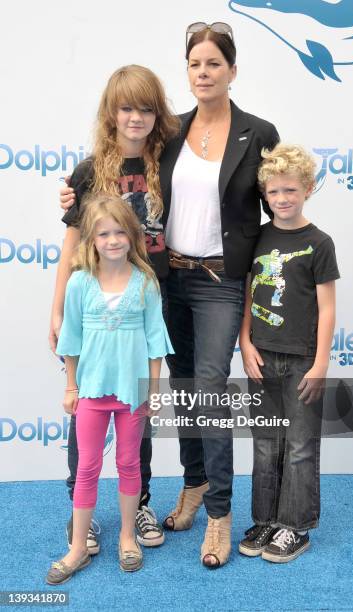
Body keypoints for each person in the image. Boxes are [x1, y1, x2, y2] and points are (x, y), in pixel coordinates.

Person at [60, 23, 279, 568]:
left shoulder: (258, 131)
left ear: (232, 69)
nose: (203, 73)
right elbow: (116, 170)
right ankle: (194, 485)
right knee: (182, 392)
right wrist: (74, 187)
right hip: (165, 281)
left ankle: (220, 516)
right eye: (195, 64)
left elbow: (277, 209)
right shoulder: (171, 132)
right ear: (187, 71)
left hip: (221, 285)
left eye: (213, 64)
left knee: (207, 389)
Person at [50, 65, 180, 554]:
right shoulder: (87, 172)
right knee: (86, 402)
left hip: (146, 294)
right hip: (94, 301)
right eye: (127, 107)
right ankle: (77, 509)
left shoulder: (168, 162)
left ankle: (140, 498)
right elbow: (70, 245)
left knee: (135, 402)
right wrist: (58, 306)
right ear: (111, 112)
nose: (136, 117)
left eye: (147, 108)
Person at [46, 194, 173, 584]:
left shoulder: (145, 283)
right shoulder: (80, 282)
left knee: (130, 464)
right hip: (91, 393)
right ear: (92, 239)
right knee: (86, 466)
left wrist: (151, 389)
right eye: (104, 234)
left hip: (132, 395)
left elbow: (155, 342)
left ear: (133, 237)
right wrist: (71, 386)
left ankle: (126, 537)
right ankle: (78, 546)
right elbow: (71, 340)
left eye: (120, 232)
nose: (113, 240)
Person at [238, 144, 339, 562]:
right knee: (265, 443)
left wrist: (320, 362)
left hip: (301, 360)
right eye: (275, 191)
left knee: (299, 446)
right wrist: (245, 341)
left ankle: (295, 526)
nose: (282, 199)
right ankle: (265, 520)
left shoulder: (319, 243)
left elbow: (328, 306)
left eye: (291, 190)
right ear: (265, 194)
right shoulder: (258, 236)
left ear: (308, 189)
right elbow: (247, 291)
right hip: (261, 356)